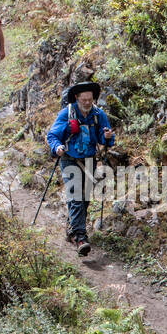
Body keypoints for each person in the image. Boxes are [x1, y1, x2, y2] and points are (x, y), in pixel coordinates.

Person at [45, 81, 115, 256]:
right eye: (83, 99)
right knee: (76, 196)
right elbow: (52, 135)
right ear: (76, 98)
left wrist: (107, 136)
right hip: (69, 160)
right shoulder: (66, 114)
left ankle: (71, 228)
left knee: (84, 200)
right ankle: (80, 238)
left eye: (89, 99)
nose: (86, 103)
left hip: (89, 160)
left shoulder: (98, 115)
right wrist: (57, 147)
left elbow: (104, 139)